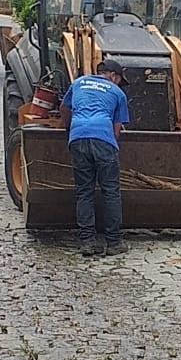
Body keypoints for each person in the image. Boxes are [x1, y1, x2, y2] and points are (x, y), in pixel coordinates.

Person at [60, 59, 130, 257]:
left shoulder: (78, 83)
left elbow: (64, 109)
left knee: (84, 191)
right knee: (110, 191)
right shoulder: (117, 93)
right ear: (113, 76)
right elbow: (116, 130)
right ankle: (114, 242)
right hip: (103, 139)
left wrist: (69, 129)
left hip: (78, 137)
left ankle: (87, 243)